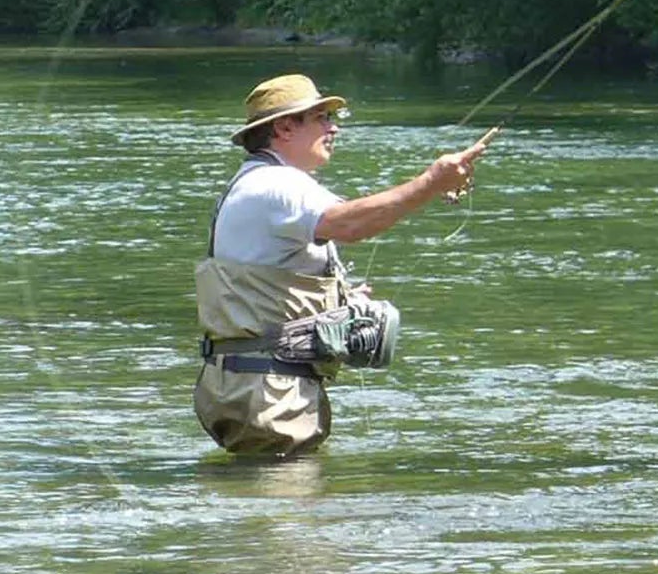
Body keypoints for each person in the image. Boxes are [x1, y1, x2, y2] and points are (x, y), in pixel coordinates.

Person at [193, 74, 493, 455]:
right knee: (285, 506)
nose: (334, 127)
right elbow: (350, 223)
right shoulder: (277, 185)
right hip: (267, 389)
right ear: (284, 127)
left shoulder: (254, 183)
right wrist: (432, 181)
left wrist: (339, 300)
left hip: (246, 384)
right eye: (321, 117)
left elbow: (266, 280)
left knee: (267, 498)